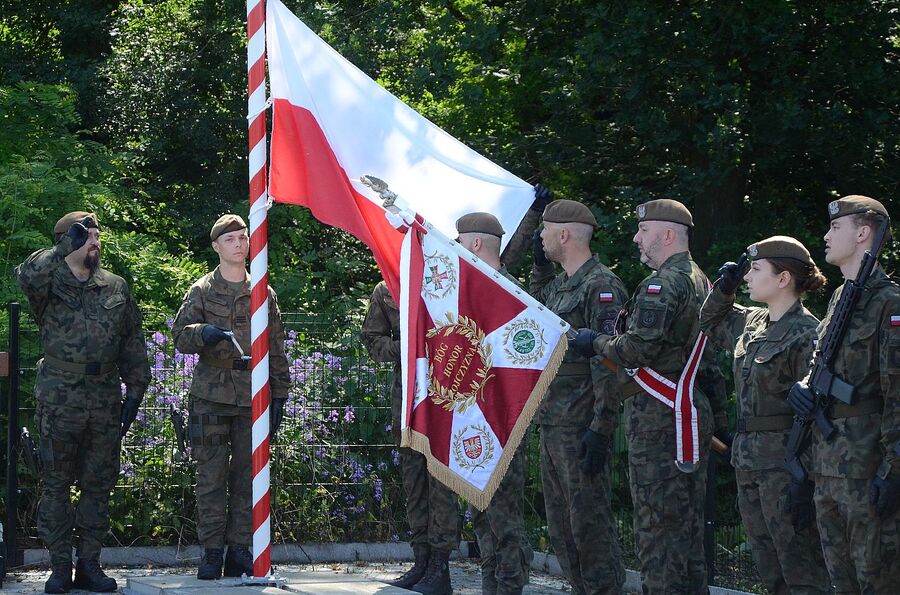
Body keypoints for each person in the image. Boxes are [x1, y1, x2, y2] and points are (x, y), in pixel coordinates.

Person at [572, 198, 713, 593]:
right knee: (686, 536)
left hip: (659, 417)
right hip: (684, 410)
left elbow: (635, 350)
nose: (636, 239)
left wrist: (594, 341)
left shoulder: (662, 284)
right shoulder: (701, 281)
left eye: (644, 231)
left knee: (657, 534)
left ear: (667, 235)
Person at [16, 211, 151, 594]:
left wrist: (136, 390)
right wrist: (63, 247)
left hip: (104, 398)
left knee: (98, 485)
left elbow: (131, 341)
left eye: (96, 234)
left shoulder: (114, 286)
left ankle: (89, 563)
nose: (95, 241)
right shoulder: (49, 281)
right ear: (67, 240)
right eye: (86, 235)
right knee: (56, 484)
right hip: (60, 399)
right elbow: (25, 275)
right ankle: (59, 566)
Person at [700, 236, 830, 593]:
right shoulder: (754, 323)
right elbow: (709, 321)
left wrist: (807, 478)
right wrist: (723, 289)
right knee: (768, 567)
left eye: (755, 270)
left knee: (799, 567)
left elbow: (819, 411)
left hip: (785, 465)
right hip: (748, 461)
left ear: (783, 278)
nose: (747, 278)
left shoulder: (808, 333)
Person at [787, 196, 900, 592]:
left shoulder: (890, 303)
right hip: (828, 465)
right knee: (841, 581)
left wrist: (894, 471)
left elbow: (897, 395)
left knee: (877, 580)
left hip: (867, 467)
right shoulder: (838, 300)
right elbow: (823, 365)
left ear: (864, 232)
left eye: (836, 227)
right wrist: (804, 388)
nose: (825, 236)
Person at [171, 214, 291, 580]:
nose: (240, 244)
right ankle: (210, 552)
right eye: (231, 239)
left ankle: (239, 549)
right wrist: (203, 332)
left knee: (246, 477)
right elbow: (179, 336)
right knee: (210, 478)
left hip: (251, 398)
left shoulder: (262, 292)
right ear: (216, 247)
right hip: (211, 397)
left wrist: (280, 396)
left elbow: (276, 347)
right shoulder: (202, 290)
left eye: (243, 238)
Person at [529, 199, 626, 594]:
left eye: (546, 230)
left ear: (565, 234)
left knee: (589, 526)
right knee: (562, 527)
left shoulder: (601, 286)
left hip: (580, 424)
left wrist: (601, 428)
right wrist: (538, 266)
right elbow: (537, 312)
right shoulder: (560, 284)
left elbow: (608, 361)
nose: (541, 236)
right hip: (553, 421)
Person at [362, 282, 459, 595]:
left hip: (447, 395)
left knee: (442, 482)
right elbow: (372, 337)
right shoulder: (388, 286)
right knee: (414, 480)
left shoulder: (449, 277)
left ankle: (440, 564)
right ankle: (421, 560)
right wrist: (403, 349)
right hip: (407, 400)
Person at [455, 212, 535, 595]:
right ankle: (492, 587)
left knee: (504, 520)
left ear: (474, 244)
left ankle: (509, 588)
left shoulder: (511, 294)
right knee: (482, 517)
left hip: (503, 423)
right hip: (473, 422)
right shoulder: (467, 291)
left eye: (459, 242)